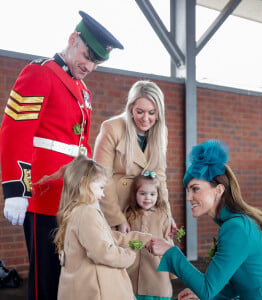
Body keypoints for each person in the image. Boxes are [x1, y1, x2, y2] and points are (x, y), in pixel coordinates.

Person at [0, 10, 123, 300]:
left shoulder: (84, 92)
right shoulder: (39, 73)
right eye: (87, 56)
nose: (90, 66)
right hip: (43, 196)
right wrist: (17, 188)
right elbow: (14, 131)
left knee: (68, 276)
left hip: (72, 197)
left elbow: (81, 147)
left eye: (96, 62)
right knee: (46, 279)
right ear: (72, 39)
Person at [149, 139, 262, 300]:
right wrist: (201, 294)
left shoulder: (236, 228)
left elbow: (207, 290)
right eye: (188, 190)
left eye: (195, 189)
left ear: (219, 190)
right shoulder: (238, 223)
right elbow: (238, 283)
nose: (189, 197)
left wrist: (170, 251)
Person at [54, 155, 152, 300]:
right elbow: (103, 252)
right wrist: (129, 254)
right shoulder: (87, 213)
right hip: (96, 292)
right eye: (100, 187)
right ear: (84, 183)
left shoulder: (76, 212)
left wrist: (142, 239)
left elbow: (108, 236)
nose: (103, 193)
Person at [93, 80, 176, 233]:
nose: (146, 118)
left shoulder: (161, 131)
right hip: (115, 205)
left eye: (152, 113)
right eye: (140, 112)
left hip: (146, 210)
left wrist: (167, 214)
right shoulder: (112, 128)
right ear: (131, 108)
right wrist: (117, 219)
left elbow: (160, 177)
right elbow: (102, 177)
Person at [126, 172, 176, 300]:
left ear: (158, 195)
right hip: (133, 270)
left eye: (152, 194)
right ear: (135, 194)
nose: (148, 198)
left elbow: (168, 243)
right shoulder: (129, 215)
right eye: (143, 193)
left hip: (157, 270)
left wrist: (173, 271)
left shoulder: (163, 216)